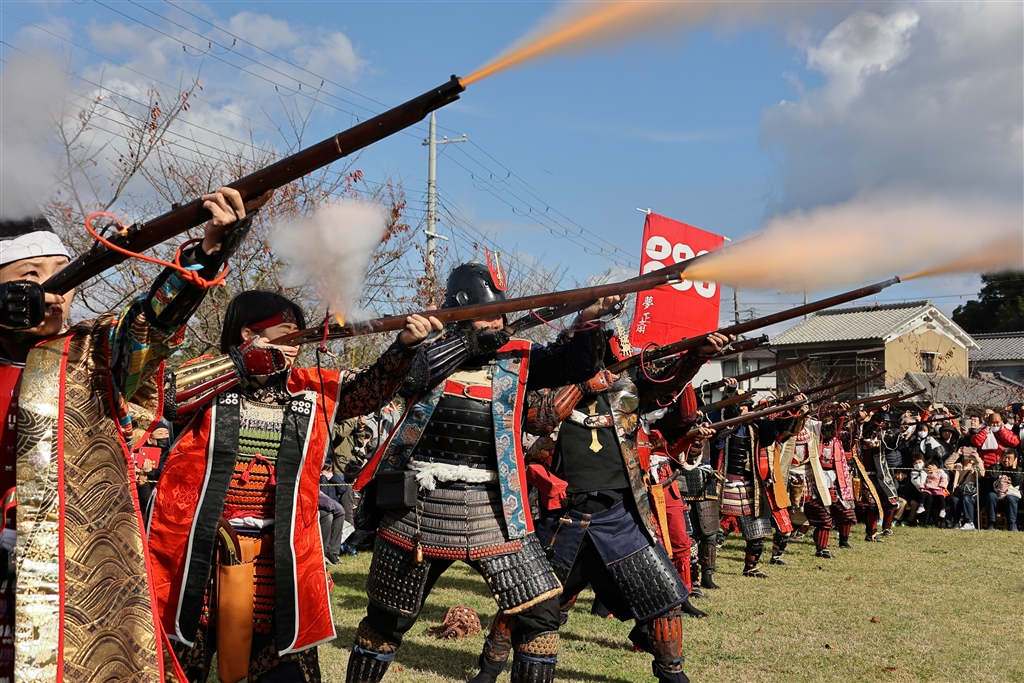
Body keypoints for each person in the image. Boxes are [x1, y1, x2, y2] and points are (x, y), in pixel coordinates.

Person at [0, 188, 263, 681]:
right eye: (30, 276)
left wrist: (207, 252)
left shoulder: (87, 356)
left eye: (63, 273)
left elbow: (147, 325)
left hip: (69, 579)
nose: (55, 290)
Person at [345, 261, 620, 683]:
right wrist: (441, 342)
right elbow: (398, 382)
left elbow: (573, 365)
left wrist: (588, 319)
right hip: (418, 507)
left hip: (495, 509)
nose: (499, 323)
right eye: (488, 315)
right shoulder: (424, 352)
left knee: (541, 616)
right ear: (459, 313)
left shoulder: (517, 358)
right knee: (387, 619)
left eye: (501, 316)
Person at [148, 291, 441, 682]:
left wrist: (405, 345)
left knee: (289, 673)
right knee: (175, 669)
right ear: (249, 333)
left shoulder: (309, 386)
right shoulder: (208, 378)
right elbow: (165, 397)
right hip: (198, 555)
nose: (296, 344)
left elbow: (370, 391)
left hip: (280, 557)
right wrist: (240, 363)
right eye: (287, 333)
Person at [712, 395, 801, 578]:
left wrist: (791, 408)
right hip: (723, 483)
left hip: (750, 484)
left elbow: (777, 430)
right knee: (715, 531)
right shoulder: (721, 426)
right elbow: (717, 441)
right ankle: (707, 566)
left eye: (746, 407)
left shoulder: (756, 427)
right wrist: (732, 416)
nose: (743, 410)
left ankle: (750, 568)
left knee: (758, 532)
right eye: (740, 407)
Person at [781, 403, 855, 558]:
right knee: (784, 518)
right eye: (801, 408)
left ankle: (822, 549)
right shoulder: (785, 423)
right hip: (786, 477)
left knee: (824, 518)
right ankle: (777, 553)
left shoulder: (813, 426)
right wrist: (795, 414)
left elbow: (830, 432)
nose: (805, 412)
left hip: (809, 478)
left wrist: (838, 414)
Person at [984, 448, 1022, 531]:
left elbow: (1016, 482)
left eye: (1009, 458)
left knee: (1010, 498)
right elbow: (993, 475)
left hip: (1012, 498)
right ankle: (992, 523)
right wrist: (998, 464)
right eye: (1004, 457)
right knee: (991, 496)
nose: (1006, 460)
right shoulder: (995, 467)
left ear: (1015, 460)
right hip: (997, 496)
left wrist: (1014, 468)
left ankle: (1012, 524)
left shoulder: (1019, 470)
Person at [945, 447, 984, 530]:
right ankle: (956, 522)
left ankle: (970, 522)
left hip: (971, 494)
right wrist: (957, 454)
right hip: (959, 492)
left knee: (966, 498)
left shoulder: (975, 467)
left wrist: (977, 458)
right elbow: (947, 464)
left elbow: (982, 474)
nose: (968, 456)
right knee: (954, 500)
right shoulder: (958, 466)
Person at [320, 462, 349, 564]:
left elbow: (343, 488)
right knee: (328, 517)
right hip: (322, 507)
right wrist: (322, 478)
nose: (329, 473)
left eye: (331, 470)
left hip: (332, 507)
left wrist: (333, 477)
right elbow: (323, 493)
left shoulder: (332, 480)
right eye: (327, 470)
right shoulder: (321, 480)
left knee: (341, 514)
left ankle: (333, 551)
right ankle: (323, 551)